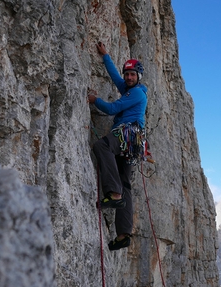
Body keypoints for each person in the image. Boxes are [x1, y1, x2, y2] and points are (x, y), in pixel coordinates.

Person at [88, 42, 147, 251]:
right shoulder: (130, 89)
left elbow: (113, 108)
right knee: (125, 183)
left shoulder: (138, 93)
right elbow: (115, 78)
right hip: (133, 143)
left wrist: (95, 100)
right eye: (127, 74)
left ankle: (113, 194)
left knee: (102, 147)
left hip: (126, 134)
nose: (129, 77)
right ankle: (123, 234)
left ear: (139, 77)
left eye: (132, 74)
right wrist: (106, 56)